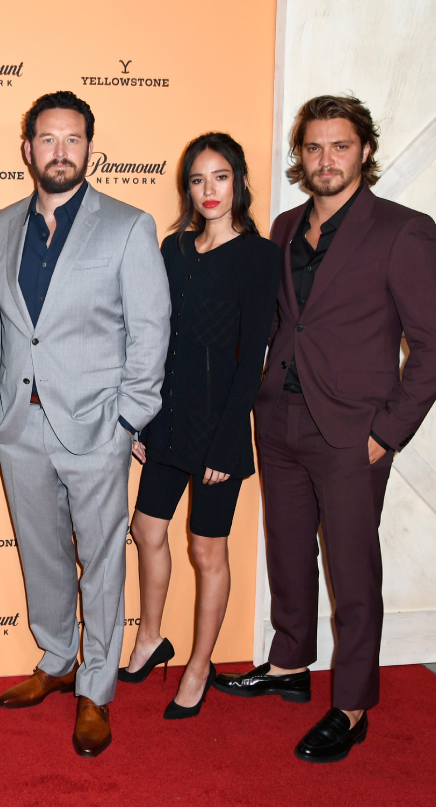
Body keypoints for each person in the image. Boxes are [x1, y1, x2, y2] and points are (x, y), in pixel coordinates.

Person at [213, 96, 436, 762]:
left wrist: (387, 432)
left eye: (339, 147)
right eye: (314, 148)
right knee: (288, 552)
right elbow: (274, 322)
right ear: (302, 155)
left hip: (354, 431)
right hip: (281, 418)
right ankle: (290, 666)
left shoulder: (403, 231)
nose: (325, 160)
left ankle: (350, 707)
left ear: (365, 151)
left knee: (353, 573)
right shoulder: (286, 226)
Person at [0, 91, 170, 757]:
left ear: (90, 147)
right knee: (43, 554)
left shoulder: (127, 225)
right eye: (47, 139)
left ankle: (96, 687)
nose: (60, 151)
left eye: (73, 139)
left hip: (97, 427)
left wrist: (128, 417)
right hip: (18, 426)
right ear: (27, 148)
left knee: (101, 563)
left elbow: (151, 330)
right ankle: (58, 657)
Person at [118, 133, 281, 719]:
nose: (209, 191)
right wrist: (141, 416)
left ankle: (199, 664)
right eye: (197, 179)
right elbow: (154, 338)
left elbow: (253, 354)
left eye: (220, 177)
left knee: (206, 547)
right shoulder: (173, 249)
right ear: (186, 187)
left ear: (238, 182)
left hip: (220, 427)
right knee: (146, 529)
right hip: (165, 418)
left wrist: (228, 439)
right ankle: (150, 637)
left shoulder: (260, 257)